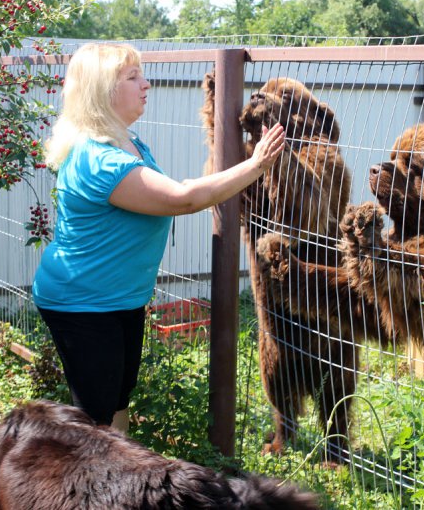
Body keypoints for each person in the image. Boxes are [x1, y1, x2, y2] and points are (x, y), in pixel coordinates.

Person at [32, 42, 285, 433]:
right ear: (102, 90)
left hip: (118, 299)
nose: (146, 85)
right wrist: (256, 164)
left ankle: (120, 483)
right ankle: (83, 486)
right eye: (132, 77)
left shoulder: (127, 143)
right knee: (93, 421)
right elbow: (182, 199)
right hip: (83, 303)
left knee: (116, 402)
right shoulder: (98, 159)